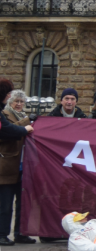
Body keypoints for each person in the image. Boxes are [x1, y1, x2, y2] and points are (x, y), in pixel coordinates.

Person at [0, 83, 33, 246]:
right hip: (7, 166)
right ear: (9, 102)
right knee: (5, 205)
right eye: (16, 101)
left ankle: (21, 233)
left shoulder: (23, 116)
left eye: (21, 101)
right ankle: (2, 234)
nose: (19, 104)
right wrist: (27, 123)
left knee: (23, 202)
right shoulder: (4, 114)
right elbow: (7, 132)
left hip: (24, 167)